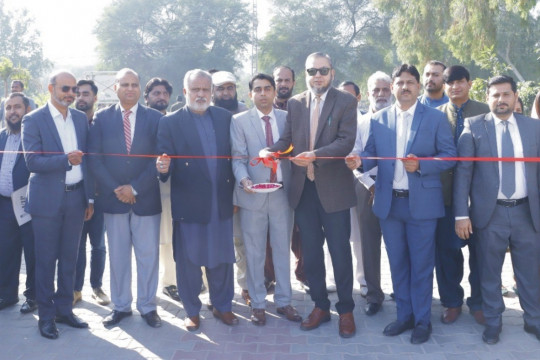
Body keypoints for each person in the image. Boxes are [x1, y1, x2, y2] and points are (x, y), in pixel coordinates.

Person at [260, 52, 358, 338]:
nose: (317, 75)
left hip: (335, 191)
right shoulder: (295, 103)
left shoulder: (346, 101)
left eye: (323, 70)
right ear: (305, 73)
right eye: (312, 70)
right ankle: (320, 306)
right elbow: (287, 139)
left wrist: (314, 155)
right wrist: (271, 151)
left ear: (332, 72)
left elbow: (345, 142)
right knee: (311, 254)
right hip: (304, 191)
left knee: (340, 252)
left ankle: (347, 310)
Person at [357, 64, 456, 344]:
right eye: (399, 83)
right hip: (390, 205)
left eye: (410, 82)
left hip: (422, 206)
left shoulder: (435, 118)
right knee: (398, 264)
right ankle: (404, 316)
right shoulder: (380, 119)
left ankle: (423, 321)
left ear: (418, 86)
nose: (405, 87)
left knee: (422, 265)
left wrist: (422, 164)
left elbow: (449, 156)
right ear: (393, 88)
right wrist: (359, 161)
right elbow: (372, 155)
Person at [454, 75, 540, 345]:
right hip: (489, 215)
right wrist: (461, 214)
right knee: (489, 272)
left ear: (515, 97)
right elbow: (463, 173)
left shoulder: (533, 128)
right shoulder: (473, 126)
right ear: (488, 98)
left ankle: (533, 320)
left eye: (506, 94)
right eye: (495, 95)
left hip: (527, 213)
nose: (501, 100)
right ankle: (493, 322)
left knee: (530, 271)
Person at [156, 69, 238, 332]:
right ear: (185, 92)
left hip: (221, 200)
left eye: (205, 89)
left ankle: (222, 306)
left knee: (222, 258)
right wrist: (162, 167)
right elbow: (163, 166)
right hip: (189, 203)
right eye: (195, 89)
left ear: (211, 91)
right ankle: (192, 310)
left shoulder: (226, 118)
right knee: (189, 261)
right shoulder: (169, 122)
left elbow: (236, 156)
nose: (201, 94)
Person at [22, 70, 94, 339]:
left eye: (74, 89)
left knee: (69, 258)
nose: (71, 94)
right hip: (46, 201)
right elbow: (32, 162)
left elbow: (87, 161)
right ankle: (46, 316)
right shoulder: (34, 119)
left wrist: (88, 197)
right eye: (65, 88)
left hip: (77, 198)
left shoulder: (79, 118)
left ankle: (65, 310)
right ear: (51, 88)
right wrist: (65, 160)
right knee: (45, 260)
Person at [88, 68, 162, 329]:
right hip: (113, 199)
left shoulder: (155, 118)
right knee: (118, 256)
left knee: (148, 256)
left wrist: (135, 188)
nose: (130, 88)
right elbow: (94, 159)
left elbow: (159, 158)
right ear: (115, 88)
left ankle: (148, 306)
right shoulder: (102, 118)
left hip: (146, 199)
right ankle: (120, 306)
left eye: (135, 84)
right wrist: (118, 188)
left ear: (140, 88)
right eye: (125, 84)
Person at [231, 73, 301, 326]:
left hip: (282, 194)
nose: (262, 93)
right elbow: (237, 158)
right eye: (257, 89)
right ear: (250, 94)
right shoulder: (238, 121)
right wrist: (243, 180)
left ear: (274, 92)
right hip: (252, 195)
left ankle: (284, 301)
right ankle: (258, 304)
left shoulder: (287, 119)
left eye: (267, 88)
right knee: (254, 251)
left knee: (282, 249)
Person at [435, 65, 489, 325]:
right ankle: (452, 302)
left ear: (469, 83)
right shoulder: (435, 115)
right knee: (447, 253)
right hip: (444, 197)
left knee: (480, 254)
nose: (455, 86)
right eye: (450, 83)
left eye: (460, 81)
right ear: (444, 87)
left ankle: (478, 302)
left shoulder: (485, 112)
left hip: (480, 197)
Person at [345, 71, 393, 316]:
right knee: (368, 243)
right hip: (366, 188)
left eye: (385, 89)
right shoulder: (360, 123)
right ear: (368, 92)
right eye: (376, 90)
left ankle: (403, 291)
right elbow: (354, 157)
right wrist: (370, 184)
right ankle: (374, 294)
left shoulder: (399, 121)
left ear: (392, 90)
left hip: (398, 189)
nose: (381, 95)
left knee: (398, 243)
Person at [211, 70, 250, 305]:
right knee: (214, 241)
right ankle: (215, 292)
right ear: (214, 92)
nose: (226, 93)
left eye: (230, 88)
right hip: (212, 189)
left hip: (241, 187)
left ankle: (246, 287)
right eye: (221, 89)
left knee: (241, 241)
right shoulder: (206, 113)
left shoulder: (245, 112)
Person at [73, 79, 110, 307]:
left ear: (95, 98)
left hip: (100, 195)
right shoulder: (71, 124)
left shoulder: (101, 123)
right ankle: (76, 290)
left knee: (98, 245)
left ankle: (97, 287)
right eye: (77, 94)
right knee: (76, 245)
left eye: (85, 94)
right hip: (75, 195)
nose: (80, 98)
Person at [143, 77, 180, 302]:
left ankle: (170, 282)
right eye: (156, 93)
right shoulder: (142, 122)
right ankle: (147, 289)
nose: (161, 97)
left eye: (165, 93)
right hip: (144, 188)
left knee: (168, 236)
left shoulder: (174, 121)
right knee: (150, 242)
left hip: (169, 187)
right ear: (147, 98)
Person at [0, 93, 36, 314]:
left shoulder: (34, 136)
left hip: (29, 204)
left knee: (33, 253)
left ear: (27, 110)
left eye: (17, 107)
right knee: (6, 251)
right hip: (4, 205)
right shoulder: (1, 137)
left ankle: (33, 297)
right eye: (8, 108)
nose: (13, 111)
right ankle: (7, 294)